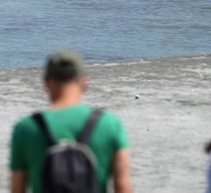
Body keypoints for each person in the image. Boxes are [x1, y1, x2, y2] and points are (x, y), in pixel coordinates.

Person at [9, 51, 133, 193]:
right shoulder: (110, 124)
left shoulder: (26, 128)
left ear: (47, 83)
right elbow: (123, 187)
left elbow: (17, 190)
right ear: (84, 82)